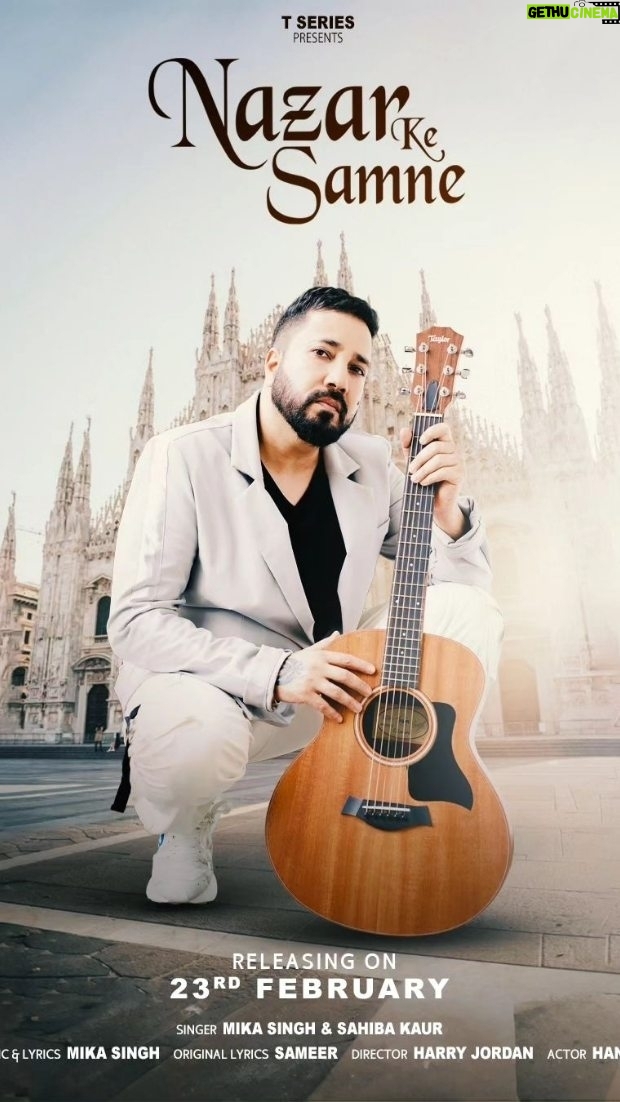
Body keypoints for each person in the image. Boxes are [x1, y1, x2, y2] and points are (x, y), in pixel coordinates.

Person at [108, 286, 502, 905]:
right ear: (271, 361)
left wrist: (447, 511)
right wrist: (279, 672)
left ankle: (428, 769)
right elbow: (134, 621)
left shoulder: (372, 465)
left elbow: (462, 584)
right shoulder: (183, 456)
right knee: (193, 735)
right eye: (322, 353)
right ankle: (185, 827)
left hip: (337, 691)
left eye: (357, 366)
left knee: (468, 609)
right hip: (216, 692)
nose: (338, 377)